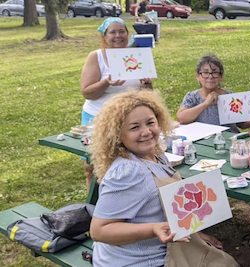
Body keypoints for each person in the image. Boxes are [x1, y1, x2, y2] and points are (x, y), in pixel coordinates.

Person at [89, 90, 240, 267]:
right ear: (118, 135)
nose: (146, 132)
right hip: (138, 261)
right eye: (134, 127)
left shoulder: (156, 155)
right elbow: (99, 230)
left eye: (150, 123)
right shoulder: (128, 171)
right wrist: (153, 228)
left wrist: (194, 235)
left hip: (166, 246)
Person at [80, 17, 152, 191]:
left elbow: (147, 95)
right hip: (98, 118)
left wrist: (146, 86)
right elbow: (87, 92)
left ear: (128, 34)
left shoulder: (136, 57)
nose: (118, 36)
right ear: (104, 37)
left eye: (122, 31)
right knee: (94, 167)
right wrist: (106, 82)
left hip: (128, 120)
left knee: (130, 163)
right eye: (112, 32)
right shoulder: (96, 57)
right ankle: (94, 205)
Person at [176, 55, 250, 133]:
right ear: (198, 77)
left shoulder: (229, 97)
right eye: (205, 73)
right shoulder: (193, 97)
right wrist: (206, 103)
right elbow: (182, 118)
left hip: (229, 138)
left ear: (221, 77)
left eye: (215, 73)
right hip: (203, 140)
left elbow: (240, 123)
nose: (210, 76)